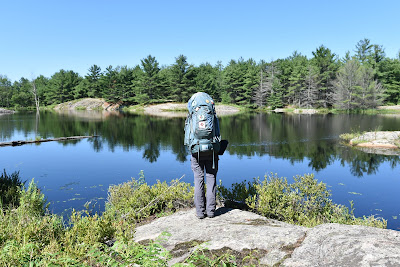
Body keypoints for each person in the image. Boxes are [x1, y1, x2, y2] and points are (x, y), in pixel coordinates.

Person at [184, 92, 221, 219]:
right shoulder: (211, 112)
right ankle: (211, 211)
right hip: (212, 149)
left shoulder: (192, 112)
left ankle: (200, 212)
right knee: (211, 179)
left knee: (198, 179)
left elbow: (187, 134)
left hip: (196, 150)